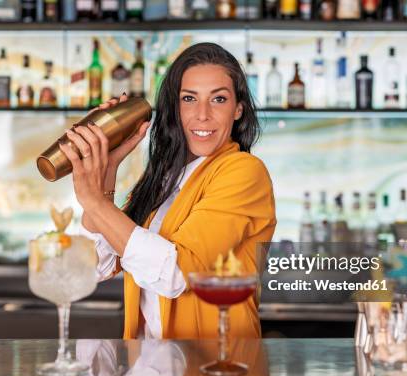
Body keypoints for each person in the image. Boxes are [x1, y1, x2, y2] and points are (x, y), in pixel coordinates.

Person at [60, 42, 276, 340]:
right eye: (189, 98)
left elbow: (177, 273)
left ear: (238, 109)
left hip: (214, 371)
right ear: (175, 107)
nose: (202, 114)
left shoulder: (244, 172)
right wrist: (108, 168)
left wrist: (94, 201)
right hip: (151, 370)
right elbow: (96, 266)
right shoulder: (164, 178)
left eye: (218, 99)